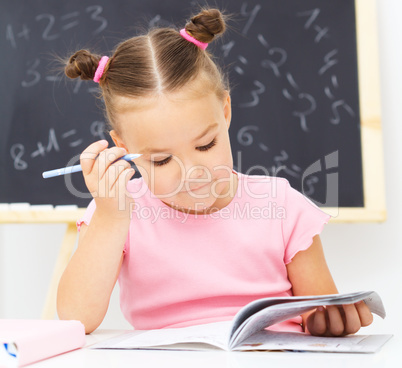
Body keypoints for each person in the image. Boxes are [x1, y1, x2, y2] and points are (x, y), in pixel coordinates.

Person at [57, 7, 373, 335]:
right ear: (123, 147)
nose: (192, 172)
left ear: (225, 112)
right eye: (162, 160)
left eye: (206, 145)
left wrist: (331, 319)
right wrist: (109, 218)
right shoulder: (115, 212)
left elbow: (319, 312)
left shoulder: (281, 206)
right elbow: (76, 320)